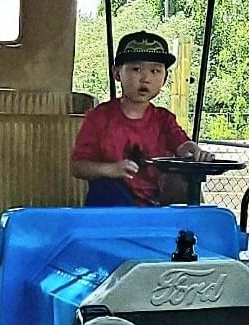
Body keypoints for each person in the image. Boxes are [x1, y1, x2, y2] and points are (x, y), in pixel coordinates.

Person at [71, 32, 215, 207]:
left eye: (155, 71)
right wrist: (111, 169)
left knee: (185, 181)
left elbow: (181, 144)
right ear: (117, 73)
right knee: (106, 187)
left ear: (164, 78)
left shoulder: (164, 120)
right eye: (136, 69)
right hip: (113, 207)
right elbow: (78, 166)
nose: (145, 79)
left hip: (158, 204)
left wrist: (193, 150)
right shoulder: (99, 118)